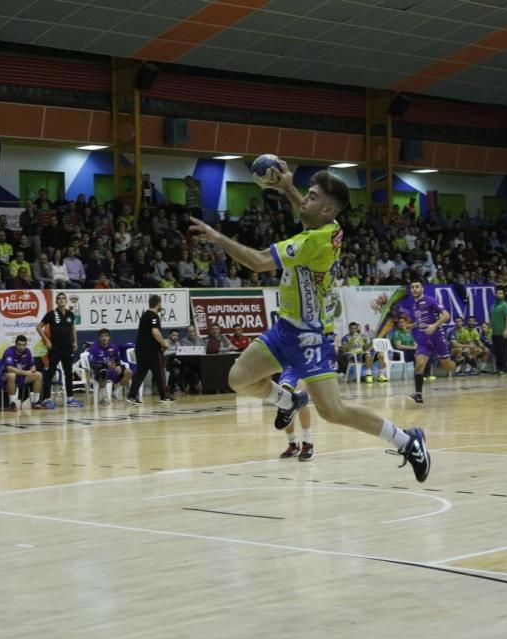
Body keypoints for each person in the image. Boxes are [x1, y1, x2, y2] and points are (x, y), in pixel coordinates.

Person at [189, 166, 430, 483]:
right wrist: (288, 187)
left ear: (327, 208)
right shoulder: (328, 224)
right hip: (285, 327)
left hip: (312, 337)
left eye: (312, 196)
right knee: (239, 378)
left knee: (333, 411)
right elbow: (307, 212)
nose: (304, 200)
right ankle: (289, 400)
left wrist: (219, 238)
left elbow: (259, 262)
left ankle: (407, 440)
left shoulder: (315, 241)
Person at [405, 280, 457, 403]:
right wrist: (412, 325)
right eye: (412, 287)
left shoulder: (430, 300)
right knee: (419, 365)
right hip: (424, 338)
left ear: (422, 289)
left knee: (447, 366)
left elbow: (446, 315)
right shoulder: (414, 305)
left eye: (417, 287)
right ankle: (418, 395)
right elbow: (421, 321)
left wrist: (434, 326)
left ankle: (462, 360)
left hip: (436, 336)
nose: (414, 289)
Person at [38, 292, 83, 408]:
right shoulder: (51, 314)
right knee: (51, 372)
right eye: (59, 298)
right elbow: (38, 327)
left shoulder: (70, 314)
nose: (62, 300)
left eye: (63, 298)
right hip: (55, 348)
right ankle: (46, 399)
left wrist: (75, 341)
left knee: (69, 373)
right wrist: (47, 340)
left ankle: (70, 399)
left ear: (66, 301)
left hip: (68, 348)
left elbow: (73, 328)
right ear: (56, 301)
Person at [126, 294, 173, 404]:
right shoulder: (153, 316)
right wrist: (163, 343)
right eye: (161, 303)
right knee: (160, 372)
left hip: (140, 350)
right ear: (158, 303)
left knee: (140, 373)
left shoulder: (144, 315)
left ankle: (131, 396)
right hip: (152, 350)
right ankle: (164, 396)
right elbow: (155, 332)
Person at [276, 368, 314, 461]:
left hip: (303, 363)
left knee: (302, 400)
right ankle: (293, 444)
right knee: (285, 403)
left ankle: (308, 443)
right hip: (286, 366)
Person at [89, 328, 132, 405]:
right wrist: (105, 365)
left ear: (109, 337)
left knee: (129, 372)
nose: (104, 338)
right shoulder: (94, 348)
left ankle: (117, 392)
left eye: (106, 336)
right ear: (99, 338)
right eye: (102, 336)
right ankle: (102, 398)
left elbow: (118, 360)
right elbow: (92, 365)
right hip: (100, 372)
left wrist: (118, 366)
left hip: (113, 371)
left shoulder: (114, 347)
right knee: (104, 372)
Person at [2, 335, 44, 411]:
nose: (21, 347)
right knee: (12, 375)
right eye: (19, 345)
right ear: (15, 344)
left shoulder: (27, 351)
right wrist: (25, 373)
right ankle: (12, 403)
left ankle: (36, 402)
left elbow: (32, 366)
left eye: (23, 345)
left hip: (21, 376)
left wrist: (32, 370)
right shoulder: (9, 351)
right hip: (6, 376)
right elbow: (9, 369)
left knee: (38, 375)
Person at [489, 288, 507, 374]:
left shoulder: (505, 305)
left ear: (503, 295)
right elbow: (492, 318)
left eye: (500, 293)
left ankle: (504, 368)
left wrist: (506, 330)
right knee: (497, 351)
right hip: (494, 332)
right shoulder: (493, 305)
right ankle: (499, 368)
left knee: (503, 351)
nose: (498, 294)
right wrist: (489, 327)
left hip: (502, 332)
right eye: (497, 293)